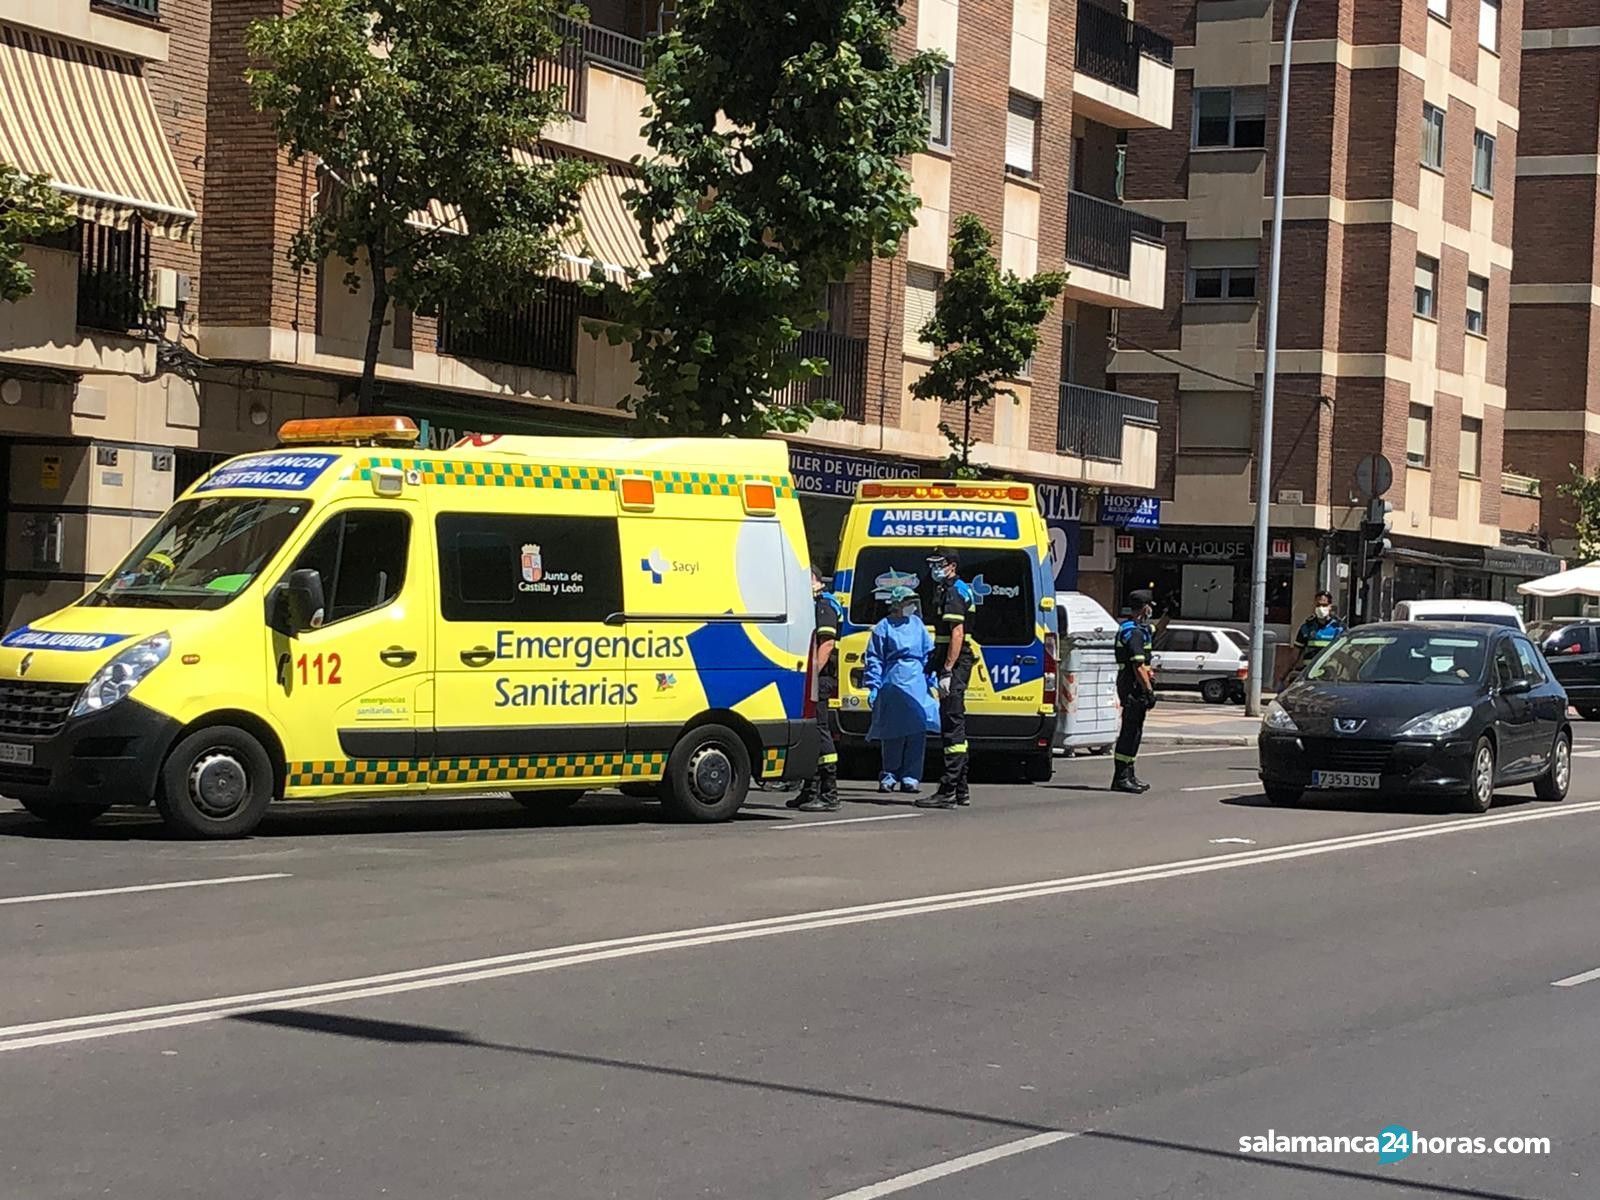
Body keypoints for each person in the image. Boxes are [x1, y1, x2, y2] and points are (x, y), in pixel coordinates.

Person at [861, 585, 940, 794]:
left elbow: (927, 654)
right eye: (907, 602)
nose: (911, 607)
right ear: (896, 603)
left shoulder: (918, 625)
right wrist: (874, 685)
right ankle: (889, 774)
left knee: (916, 731)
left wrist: (931, 678)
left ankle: (911, 777)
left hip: (916, 682)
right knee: (892, 732)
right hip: (893, 681)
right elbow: (874, 658)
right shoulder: (883, 627)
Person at [920, 547, 975, 809]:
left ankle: (948, 790)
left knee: (952, 726)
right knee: (955, 726)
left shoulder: (954, 592)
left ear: (952, 565)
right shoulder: (949, 589)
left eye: (939, 563)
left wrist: (948, 670)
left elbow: (957, 634)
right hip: (951, 661)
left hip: (956, 663)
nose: (935, 568)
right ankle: (961, 788)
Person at [792, 564, 844, 812]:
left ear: (815, 580)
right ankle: (810, 789)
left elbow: (827, 644)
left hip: (821, 679)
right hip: (814, 678)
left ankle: (830, 793)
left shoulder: (825, 605)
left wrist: (812, 675)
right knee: (811, 733)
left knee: (821, 732)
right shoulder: (813, 604)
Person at [1112, 588, 1158, 794]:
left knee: (1135, 731)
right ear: (1144, 608)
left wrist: (1169, 614)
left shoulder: (1136, 628)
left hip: (1132, 685)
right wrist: (1148, 690)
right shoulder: (1134, 633)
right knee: (1130, 731)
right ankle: (1121, 777)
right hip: (1132, 686)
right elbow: (1138, 666)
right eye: (1149, 607)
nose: (1151, 611)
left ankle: (1128, 774)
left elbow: (1159, 630)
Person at [1293, 590, 1346, 677]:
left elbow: (1345, 655)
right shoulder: (1307, 627)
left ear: (1330, 606)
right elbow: (1295, 655)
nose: (1321, 608)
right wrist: (1283, 676)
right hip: (1310, 674)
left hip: (1330, 675)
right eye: (1318, 605)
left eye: (1324, 605)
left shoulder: (1338, 628)